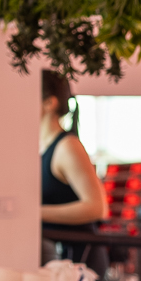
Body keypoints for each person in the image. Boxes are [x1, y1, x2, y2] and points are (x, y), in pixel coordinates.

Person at [42, 69, 107, 227]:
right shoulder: (41, 147)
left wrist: (32, 213)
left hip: (68, 243)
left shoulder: (67, 147)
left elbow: (97, 208)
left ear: (50, 103)